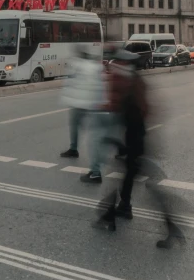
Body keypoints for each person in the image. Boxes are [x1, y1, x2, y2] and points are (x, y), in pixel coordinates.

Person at [95, 49, 186, 249]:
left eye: (121, 62)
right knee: (128, 179)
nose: (118, 65)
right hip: (134, 140)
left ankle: (171, 226)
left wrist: (120, 139)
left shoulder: (132, 84)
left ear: (128, 65)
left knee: (147, 187)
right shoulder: (134, 82)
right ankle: (119, 210)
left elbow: (131, 112)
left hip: (135, 141)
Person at [60, 43, 106, 183]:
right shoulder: (96, 66)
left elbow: (71, 83)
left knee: (92, 137)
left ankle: (96, 172)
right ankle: (75, 150)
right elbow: (99, 85)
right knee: (91, 135)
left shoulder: (78, 65)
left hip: (84, 104)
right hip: (90, 104)